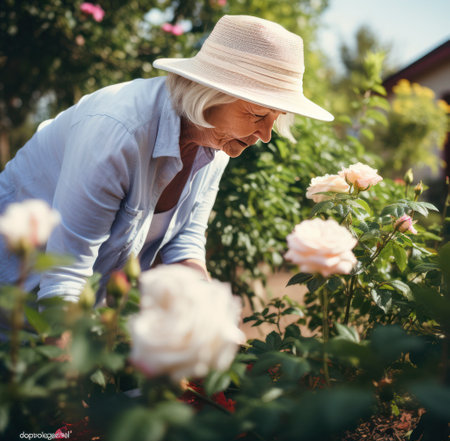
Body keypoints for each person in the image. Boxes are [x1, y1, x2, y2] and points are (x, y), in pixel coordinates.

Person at [0, 15, 333, 304]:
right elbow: (65, 278)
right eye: (257, 113)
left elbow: (183, 242)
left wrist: (208, 313)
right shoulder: (119, 133)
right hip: (14, 311)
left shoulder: (215, 143)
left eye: (277, 117)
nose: (265, 135)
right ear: (209, 95)